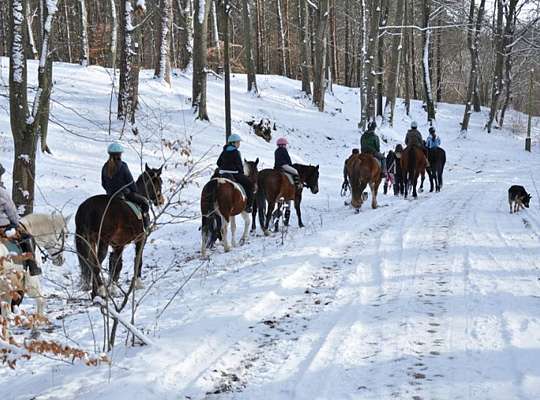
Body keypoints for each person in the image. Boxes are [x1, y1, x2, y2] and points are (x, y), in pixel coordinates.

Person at [0, 164, 41, 276]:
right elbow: (11, 212)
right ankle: (33, 267)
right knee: (27, 237)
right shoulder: (2, 192)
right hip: (3, 228)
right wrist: (17, 223)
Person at [101, 142, 150, 228]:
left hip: (109, 195)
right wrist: (135, 191)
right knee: (144, 202)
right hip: (124, 195)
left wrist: (110, 191)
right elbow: (130, 182)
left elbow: (103, 183)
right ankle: (145, 227)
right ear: (120, 154)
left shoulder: (105, 166)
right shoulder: (123, 166)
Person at [216, 134, 255, 213]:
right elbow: (239, 165)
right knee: (250, 185)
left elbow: (218, 163)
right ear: (233, 143)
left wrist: (224, 168)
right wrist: (241, 173)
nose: (239, 144)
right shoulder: (236, 152)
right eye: (238, 142)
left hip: (222, 173)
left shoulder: (224, 151)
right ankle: (248, 206)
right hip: (234, 174)